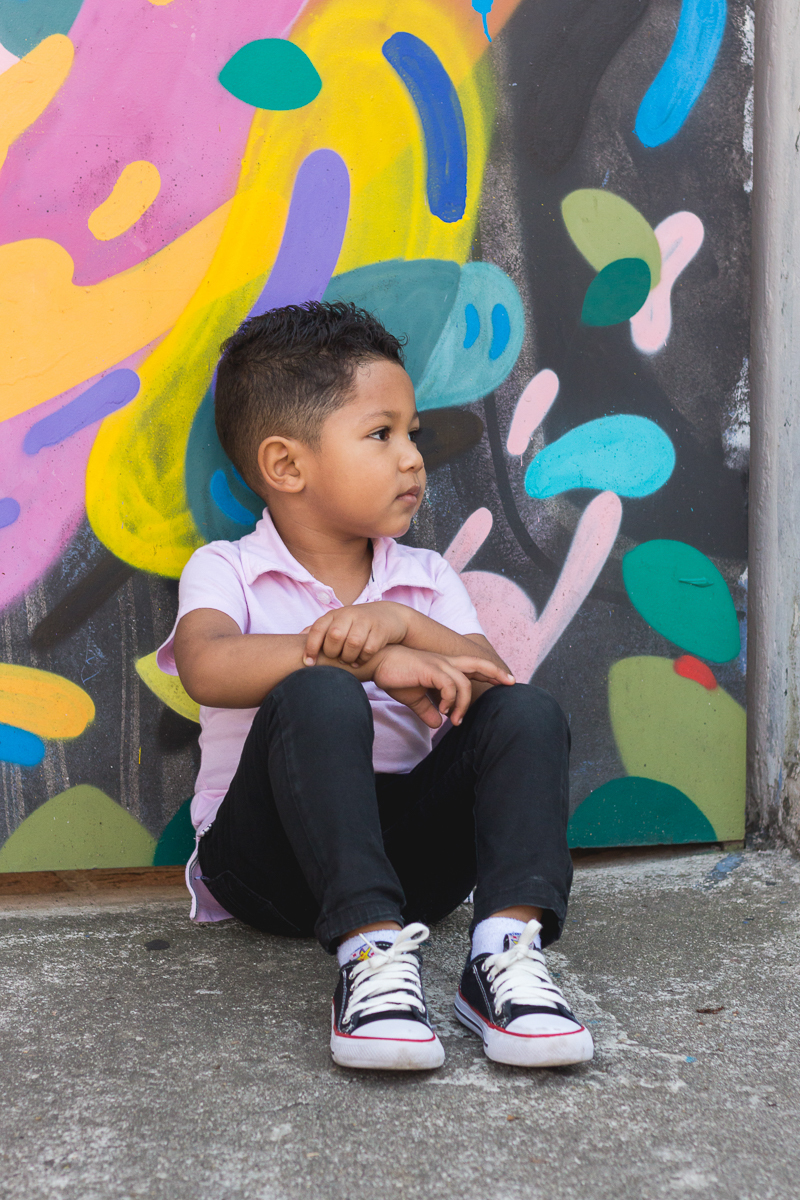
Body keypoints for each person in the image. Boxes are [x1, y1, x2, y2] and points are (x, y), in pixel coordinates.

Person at [156, 301, 593, 1072]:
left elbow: (491, 686)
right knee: (317, 693)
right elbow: (207, 666)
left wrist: (397, 624)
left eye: (413, 435)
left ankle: (503, 955)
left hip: (408, 867)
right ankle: (369, 964)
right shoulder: (226, 568)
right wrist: (359, 660)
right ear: (287, 466)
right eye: (381, 434)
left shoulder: (423, 581)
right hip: (268, 862)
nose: (413, 458)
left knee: (527, 711)